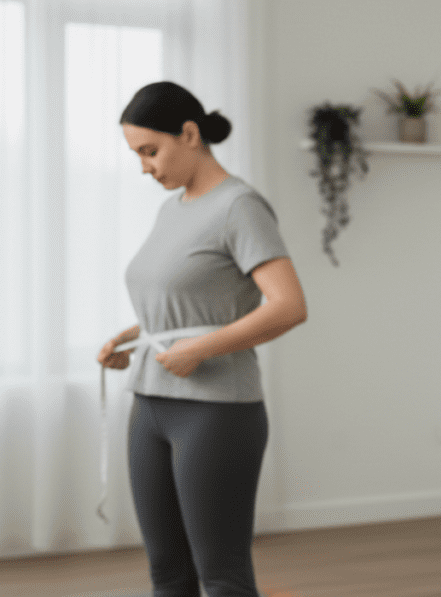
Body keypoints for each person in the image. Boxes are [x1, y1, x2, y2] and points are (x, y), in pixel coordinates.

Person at [95, 81, 307, 597]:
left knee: (222, 575)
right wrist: (134, 339)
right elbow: (184, 299)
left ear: (189, 134)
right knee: (167, 572)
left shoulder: (240, 206)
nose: (146, 166)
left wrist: (199, 350)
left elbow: (288, 306)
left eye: (151, 150)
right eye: (137, 155)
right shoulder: (173, 208)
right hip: (149, 405)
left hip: (216, 411)